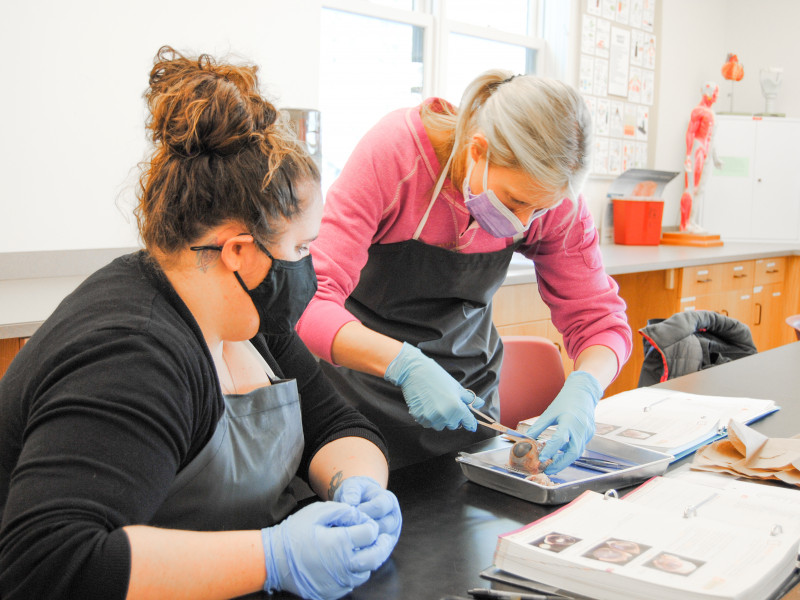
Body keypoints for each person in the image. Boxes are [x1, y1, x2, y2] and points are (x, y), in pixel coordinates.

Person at [0, 46, 401, 600]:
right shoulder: (133, 354)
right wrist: (273, 559)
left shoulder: (252, 318)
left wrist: (356, 484)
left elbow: (337, 427)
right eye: (303, 246)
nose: (310, 265)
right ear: (240, 252)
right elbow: (48, 564)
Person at [296, 70, 632, 471]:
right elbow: (308, 300)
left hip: (467, 404)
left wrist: (586, 387)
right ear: (478, 151)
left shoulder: (554, 198)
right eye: (515, 200)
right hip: (356, 399)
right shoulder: (396, 154)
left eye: (540, 209)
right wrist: (404, 364)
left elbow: (600, 322)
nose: (525, 221)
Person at [680, 81, 723, 233]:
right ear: (706, 92)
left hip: (707, 151)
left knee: (700, 189)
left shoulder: (712, 114)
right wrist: (688, 156)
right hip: (697, 149)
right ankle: (685, 224)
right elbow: (691, 132)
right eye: (714, 93)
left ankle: (692, 221)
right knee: (692, 187)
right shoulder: (698, 111)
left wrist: (716, 158)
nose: (716, 96)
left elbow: (712, 138)